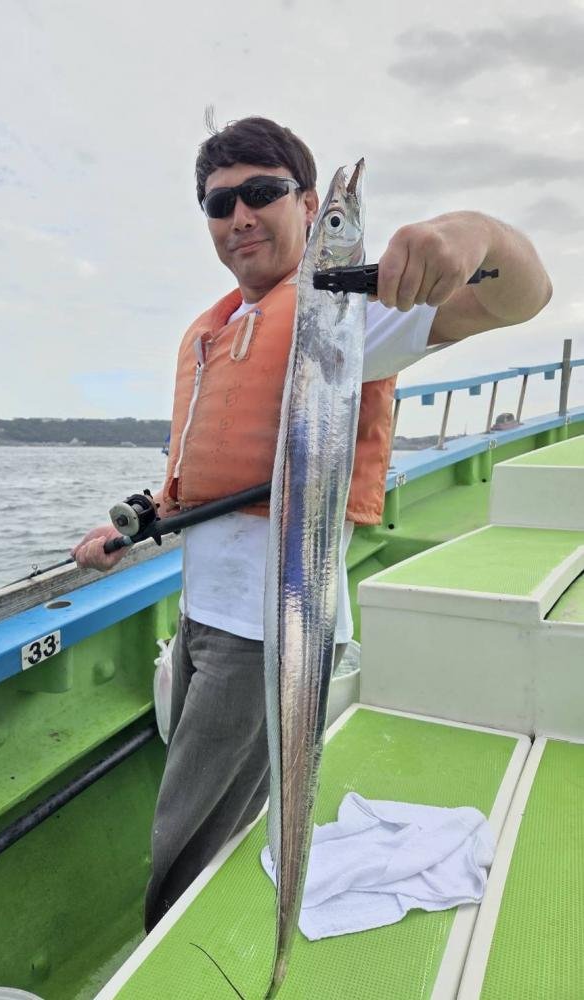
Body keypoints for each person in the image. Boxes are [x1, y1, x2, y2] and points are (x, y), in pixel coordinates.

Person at [72, 117, 552, 932]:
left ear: (304, 206)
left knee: (185, 840)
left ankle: (190, 955)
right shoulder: (222, 329)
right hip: (200, 619)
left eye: (261, 193)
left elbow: (521, 297)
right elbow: (208, 480)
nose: (239, 217)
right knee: (221, 814)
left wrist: (477, 234)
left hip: (271, 631)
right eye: (219, 204)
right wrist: (138, 524)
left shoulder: (346, 311)